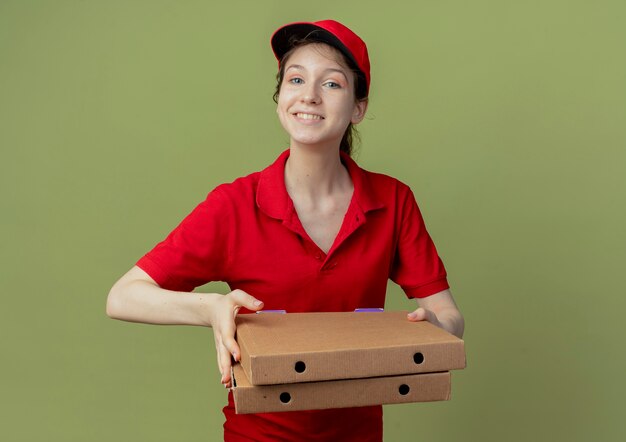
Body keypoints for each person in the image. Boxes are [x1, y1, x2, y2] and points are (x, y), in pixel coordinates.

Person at [107, 19, 464, 442]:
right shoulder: (234, 205)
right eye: (296, 79)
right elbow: (123, 296)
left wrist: (435, 333)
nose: (309, 95)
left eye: (331, 84)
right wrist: (211, 309)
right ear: (281, 98)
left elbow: (449, 316)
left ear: (358, 107)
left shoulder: (393, 201)